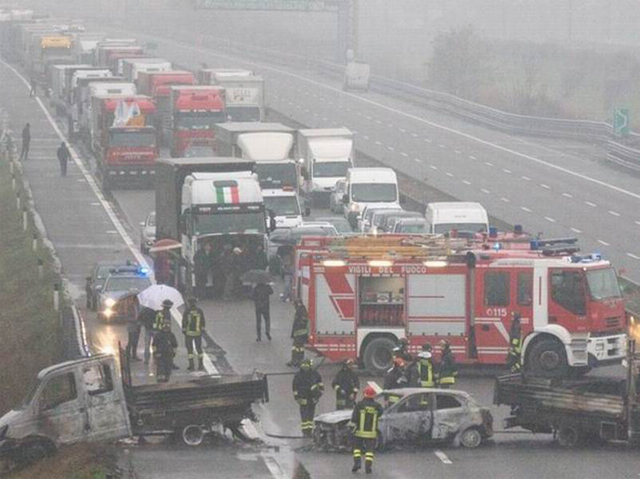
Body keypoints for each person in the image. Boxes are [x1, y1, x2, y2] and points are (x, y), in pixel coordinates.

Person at [350, 386, 383, 474]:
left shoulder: (359, 405)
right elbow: (380, 414)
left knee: (357, 449)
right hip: (371, 433)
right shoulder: (377, 406)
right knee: (369, 451)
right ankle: (368, 467)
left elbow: (354, 418)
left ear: (364, 394)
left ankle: (357, 463)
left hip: (359, 432)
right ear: (373, 395)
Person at [292, 358, 324, 437]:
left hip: (312, 397)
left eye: (306, 365)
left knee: (310, 414)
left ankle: (309, 430)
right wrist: (297, 397)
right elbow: (295, 387)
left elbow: (320, 385)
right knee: (304, 415)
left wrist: (318, 394)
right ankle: (305, 431)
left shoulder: (315, 374)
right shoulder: (298, 375)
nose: (305, 367)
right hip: (303, 397)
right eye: (303, 365)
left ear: (310, 365)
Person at [182, 296, 206, 371]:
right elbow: (203, 321)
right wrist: (202, 330)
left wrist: (184, 330)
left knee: (190, 350)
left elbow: (184, 321)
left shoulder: (187, 311)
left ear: (189, 303)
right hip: (198, 333)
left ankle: (191, 365)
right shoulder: (199, 311)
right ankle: (201, 365)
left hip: (189, 334)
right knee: (199, 349)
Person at [288, 300, 309, 367]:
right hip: (300, 333)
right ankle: (298, 360)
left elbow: (299, 322)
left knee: (296, 347)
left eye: (295, 305)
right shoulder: (302, 309)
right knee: (299, 347)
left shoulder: (300, 310)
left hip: (299, 333)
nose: (294, 307)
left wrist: (294, 333)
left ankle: (295, 361)